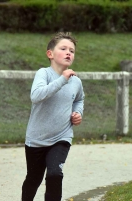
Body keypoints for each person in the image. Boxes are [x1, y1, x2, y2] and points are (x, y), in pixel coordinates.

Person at [21, 32, 85, 201]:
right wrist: (62, 79)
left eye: (72, 50)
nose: (68, 52)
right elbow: (36, 96)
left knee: (55, 174)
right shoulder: (44, 74)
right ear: (50, 54)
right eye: (63, 48)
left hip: (62, 137)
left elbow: (79, 99)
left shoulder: (76, 81)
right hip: (36, 138)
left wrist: (78, 112)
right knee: (33, 179)